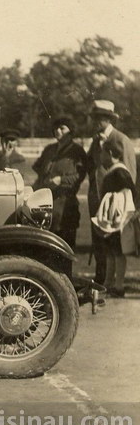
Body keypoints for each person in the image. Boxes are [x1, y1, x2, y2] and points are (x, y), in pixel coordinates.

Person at [85, 99, 137, 286]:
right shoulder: (95, 141)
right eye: (94, 118)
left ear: (108, 119)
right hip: (97, 199)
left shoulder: (121, 140)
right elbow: (91, 166)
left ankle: (116, 282)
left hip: (115, 204)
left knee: (115, 244)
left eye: (99, 118)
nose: (95, 122)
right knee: (100, 241)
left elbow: (129, 175)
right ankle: (101, 279)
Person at [32, 116, 87, 248]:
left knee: (65, 246)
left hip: (66, 204)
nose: (58, 131)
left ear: (70, 131)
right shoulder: (49, 149)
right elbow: (37, 166)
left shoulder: (77, 151)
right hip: (45, 202)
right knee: (44, 245)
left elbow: (80, 175)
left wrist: (61, 180)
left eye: (62, 128)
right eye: (56, 128)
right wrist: (43, 179)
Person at [92, 139, 137, 298]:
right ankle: (108, 283)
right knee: (110, 251)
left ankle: (119, 285)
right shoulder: (113, 171)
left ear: (110, 153)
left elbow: (129, 192)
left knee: (117, 252)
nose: (100, 156)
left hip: (117, 219)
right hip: (111, 219)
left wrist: (116, 206)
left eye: (102, 153)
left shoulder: (120, 172)